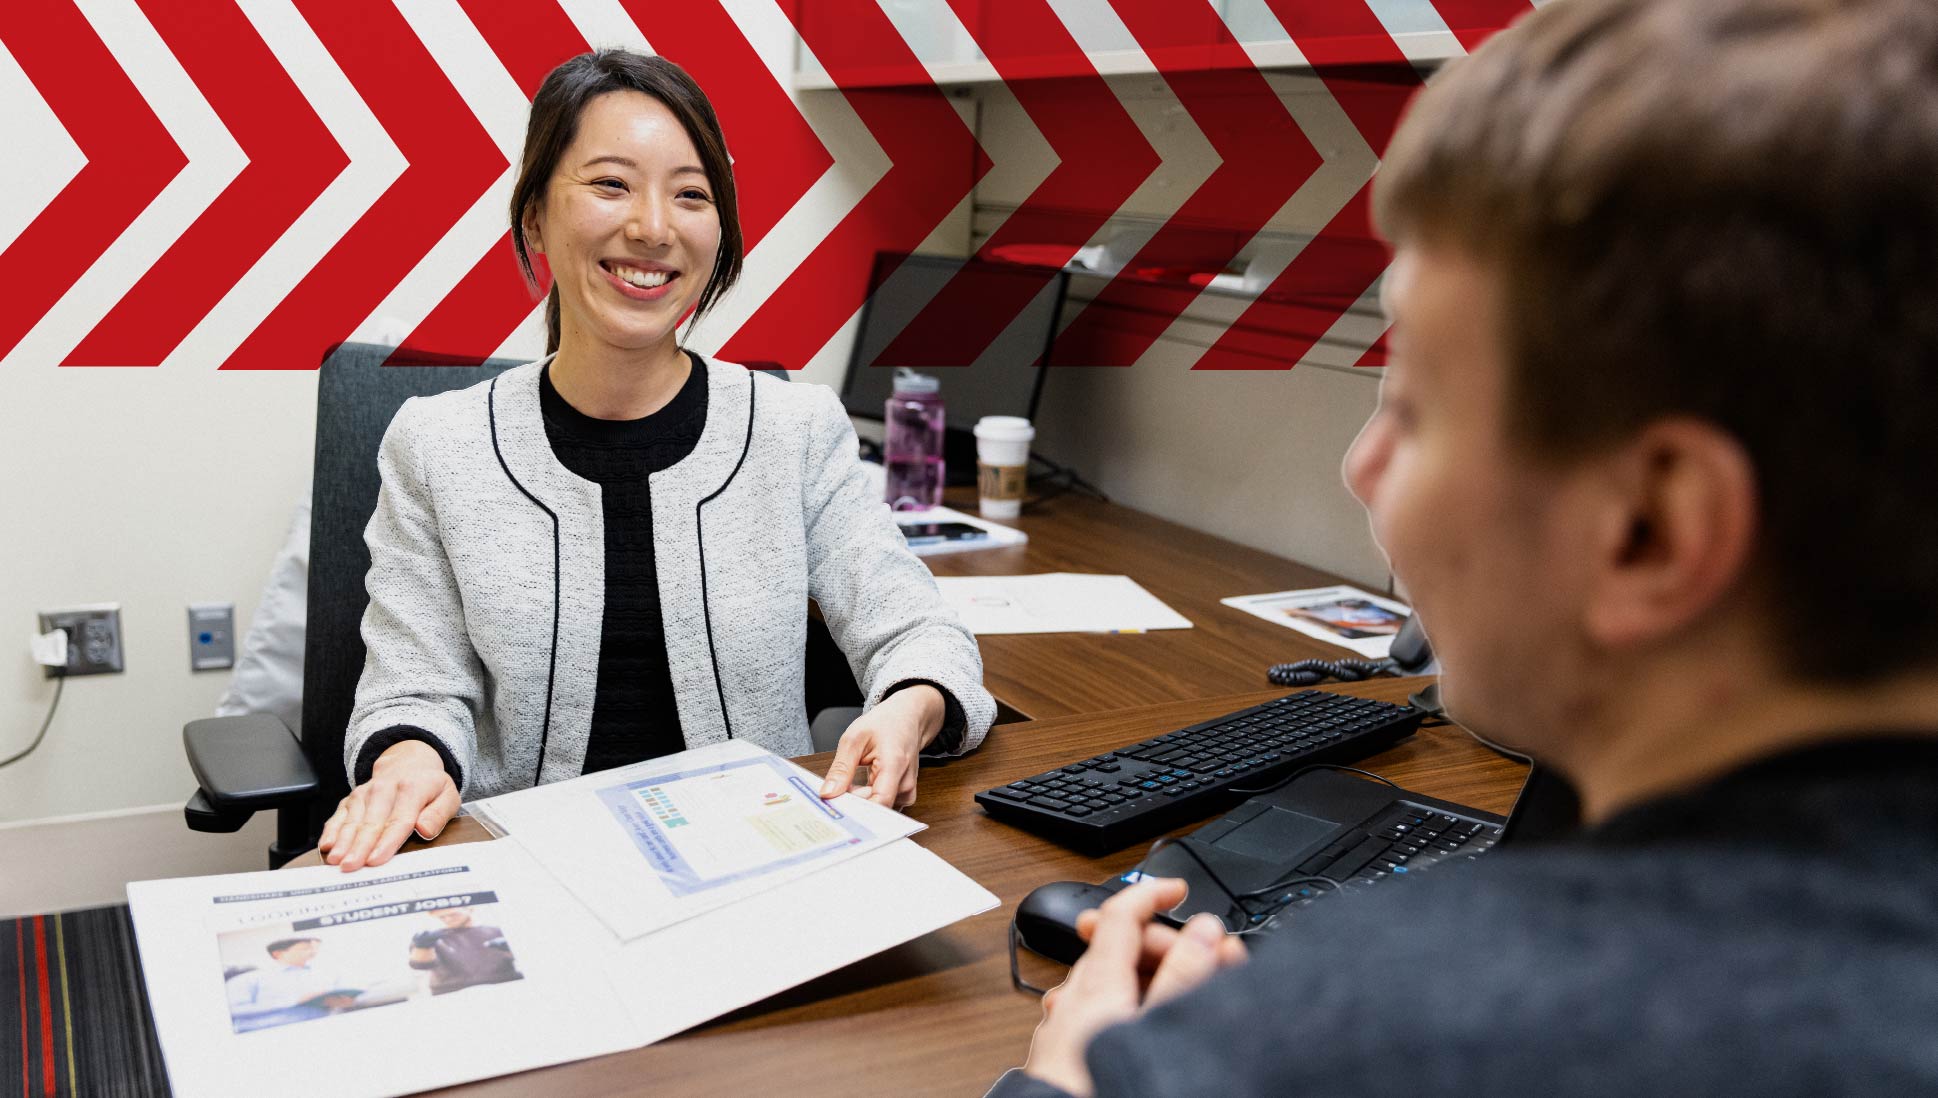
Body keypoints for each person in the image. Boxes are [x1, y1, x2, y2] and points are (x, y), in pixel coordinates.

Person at [992, 0, 1938, 1094]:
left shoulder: (1351, 1039)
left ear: (1653, 529)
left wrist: (1076, 1080)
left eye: (1420, 410)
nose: (1362, 467)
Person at [318, 50, 994, 873]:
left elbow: (920, 631)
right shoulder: (435, 444)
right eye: (610, 184)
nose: (654, 228)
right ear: (534, 217)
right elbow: (412, 688)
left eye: (691, 195)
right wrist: (411, 758)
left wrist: (907, 709)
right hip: (531, 868)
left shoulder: (794, 429)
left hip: (761, 865)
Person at [224, 937, 357, 1030]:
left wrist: (342, 1003)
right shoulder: (248, 979)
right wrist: (294, 1000)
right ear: (278, 954)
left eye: (314, 948)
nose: (312, 952)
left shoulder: (327, 975)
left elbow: (342, 1000)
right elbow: (232, 1011)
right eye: (305, 948)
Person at [407, 906, 521, 994]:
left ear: (469, 909)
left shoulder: (497, 931)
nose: (447, 919)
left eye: (453, 914)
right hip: (451, 991)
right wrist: (423, 946)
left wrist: (510, 949)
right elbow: (421, 965)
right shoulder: (431, 937)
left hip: (502, 985)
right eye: (441, 917)